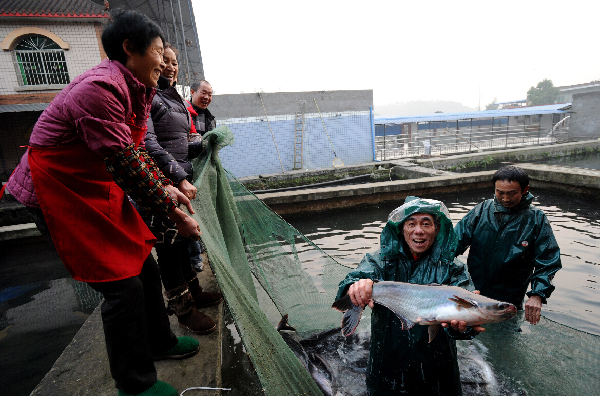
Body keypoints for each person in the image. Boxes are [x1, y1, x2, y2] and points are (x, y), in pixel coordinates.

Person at [5, 10, 200, 396]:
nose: (164, 61)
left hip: (93, 186)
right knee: (121, 288)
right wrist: (173, 211)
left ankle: (161, 343)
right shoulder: (99, 89)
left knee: (144, 264)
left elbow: (137, 148)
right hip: (57, 193)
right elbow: (126, 163)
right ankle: (134, 383)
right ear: (130, 49)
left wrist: (168, 184)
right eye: (159, 52)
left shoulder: (137, 89)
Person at [336, 196, 484, 396]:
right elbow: (354, 278)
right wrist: (355, 288)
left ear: (437, 229)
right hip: (387, 363)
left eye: (426, 224)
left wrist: (461, 329)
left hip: (438, 368)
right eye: (411, 224)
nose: (419, 230)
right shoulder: (380, 261)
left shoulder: (454, 269)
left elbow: (467, 325)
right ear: (401, 230)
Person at [143, 43, 222, 335]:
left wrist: (204, 142)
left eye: (175, 63)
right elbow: (149, 143)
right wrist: (177, 175)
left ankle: (195, 291)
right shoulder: (150, 96)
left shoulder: (171, 97)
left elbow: (178, 142)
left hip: (178, 178)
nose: (171, 67)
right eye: (165, 60)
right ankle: (184, 311)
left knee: (181, 245)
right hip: (162, 181)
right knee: (168, 248)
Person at [454, 165, 562, 325]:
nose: (505, 198)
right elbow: (452, 245)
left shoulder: (536, 219)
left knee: (504, 338)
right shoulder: (481, 210)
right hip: (473, 293)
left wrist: (537, 294)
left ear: (525, 189)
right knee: (470, 335)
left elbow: (548, 261)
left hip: (508, 300)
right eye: (500, 193)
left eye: (511, 193)